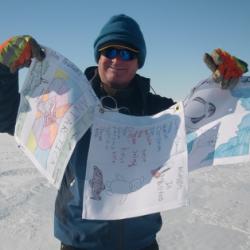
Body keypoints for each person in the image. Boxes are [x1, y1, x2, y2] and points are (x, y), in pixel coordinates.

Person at [0, 14, 248, 250]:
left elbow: (202, 121)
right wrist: (3, 68)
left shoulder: (158, 110)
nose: (118, 60)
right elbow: (6, 118)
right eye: (110, 51)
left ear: (138, 62)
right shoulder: (67, 101)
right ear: (99, 56)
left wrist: (228, 86)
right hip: (79, 243)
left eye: (128, 53)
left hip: (141, 243)